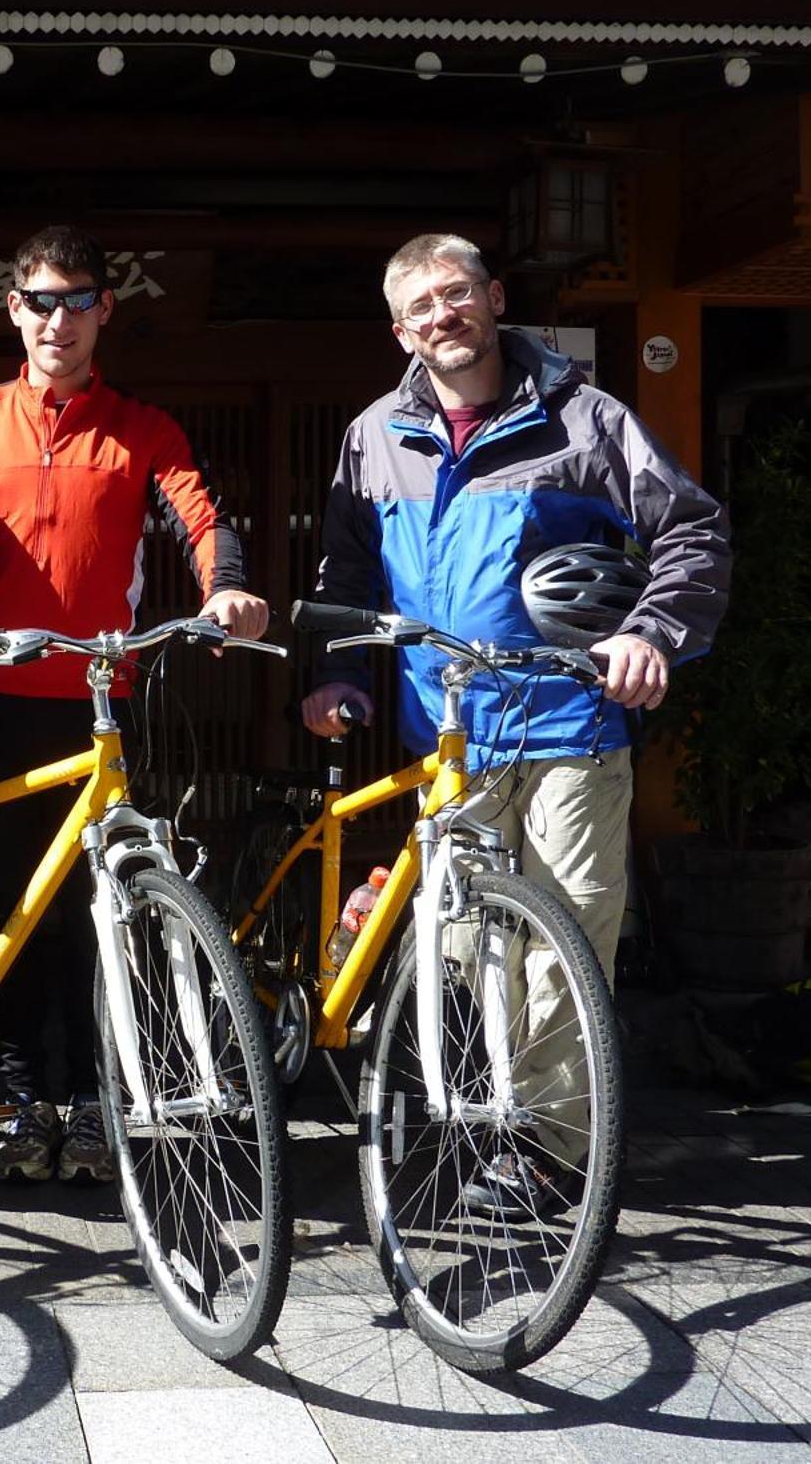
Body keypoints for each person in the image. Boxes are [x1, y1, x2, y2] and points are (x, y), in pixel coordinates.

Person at [301, 232, 730, 1208]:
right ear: (397, 328)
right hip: (445, 734)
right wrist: (334, 676)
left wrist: (650, 634)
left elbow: (688, 529)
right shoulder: (375, 435)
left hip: (569, 722)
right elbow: (343, 575)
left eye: (455, 295)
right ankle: (492, 1122)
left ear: (493, 297)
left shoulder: (580, 421)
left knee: (563, 946)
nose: (440, 317)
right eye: (418, 307)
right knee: (472, 951)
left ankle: (544, 1153)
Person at [0, 225, 269, 1185]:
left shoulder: (143, 429)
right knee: (7, 905)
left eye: (75, 300)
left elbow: (200, 516)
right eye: (39, 301)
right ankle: (19, 1098)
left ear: (103, 310)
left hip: (96, 705)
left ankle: (93, 1097)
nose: (57, 318)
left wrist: (227, 590)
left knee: (100, 910)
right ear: (14, 310)